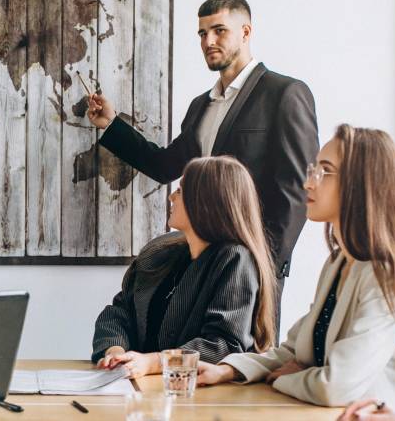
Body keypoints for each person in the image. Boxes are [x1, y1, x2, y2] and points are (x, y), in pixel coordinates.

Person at [87, 0, 318, 301]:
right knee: (199, 349)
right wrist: (112, 125)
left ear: (245, 32)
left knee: (248, 351)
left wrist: (267, 263)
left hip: (254, 264)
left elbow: (297, 189)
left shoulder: (285, 93)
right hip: (198, 260)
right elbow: (165, 165)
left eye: (219, 30)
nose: (209, 41)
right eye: (202, 33)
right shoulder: (201, 106)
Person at [195, 125, 395, 421]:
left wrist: (284, 379)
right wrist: (228, 369)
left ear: (361, 184)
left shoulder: (389, 273)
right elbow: (294, 350)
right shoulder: (338, 263)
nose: (309, 183)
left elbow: (337, 386)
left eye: (324, 171)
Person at [92, 156, 276, 377]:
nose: (171, 197)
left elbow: (223, 344)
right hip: (139, 388)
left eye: (179, 191)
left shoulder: (235, 260)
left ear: (206, 202)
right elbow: (119, 312)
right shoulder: (160, 252)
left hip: (197, 397)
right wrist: (116, 351)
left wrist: (154, 363)